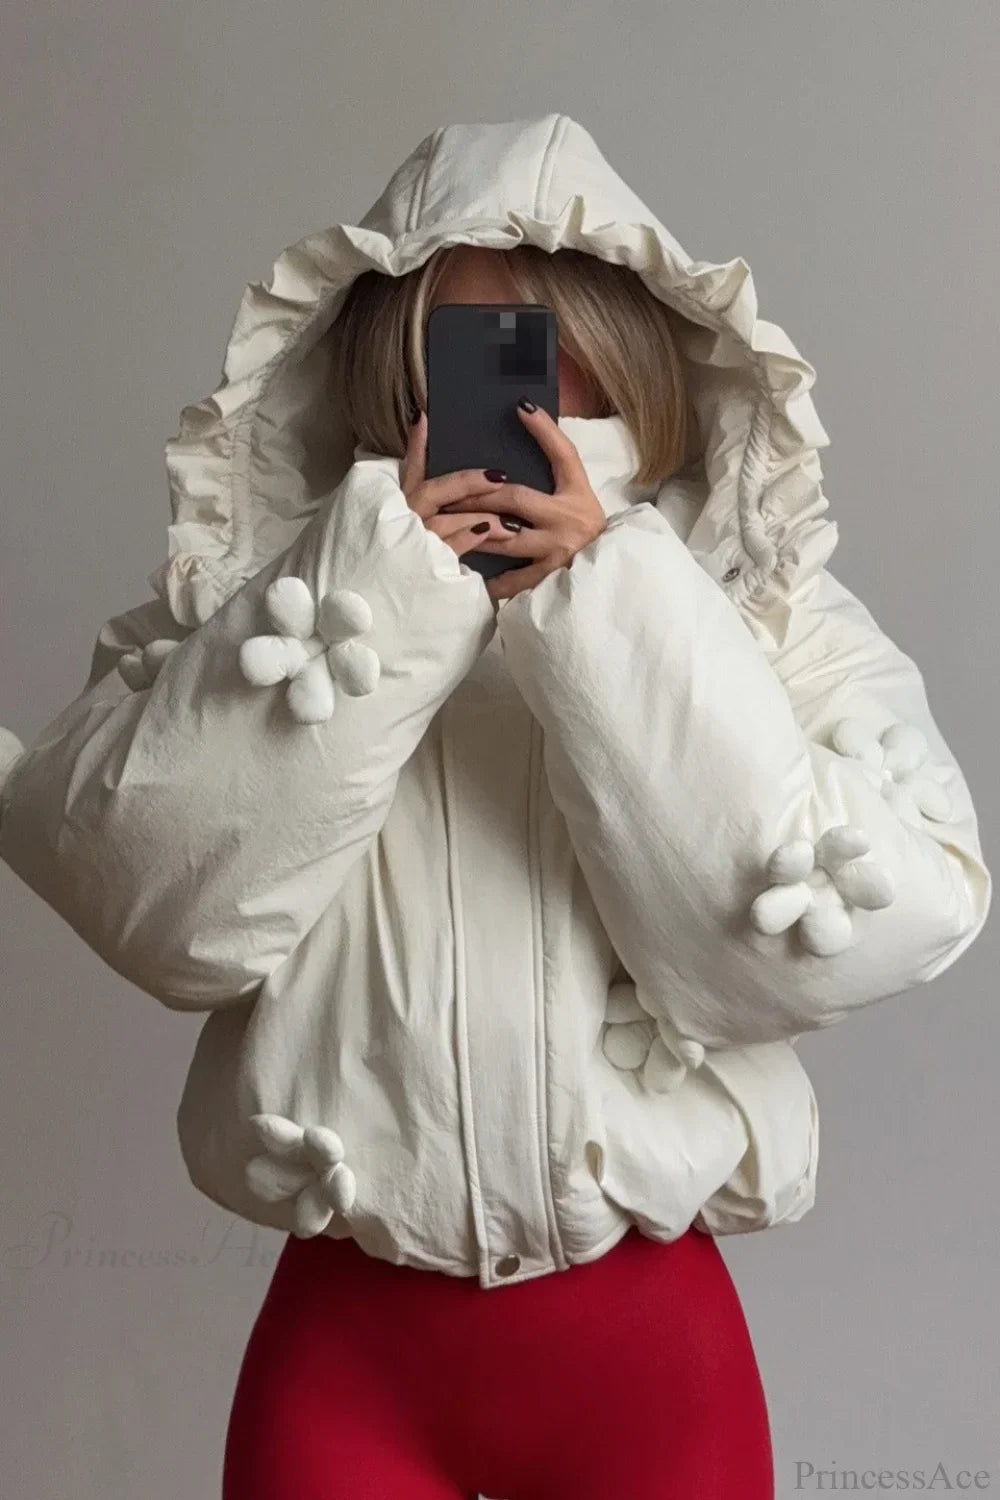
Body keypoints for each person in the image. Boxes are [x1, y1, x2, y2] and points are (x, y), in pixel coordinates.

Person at [0, 113, 991, 1500]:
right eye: (465, 353)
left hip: (647, 1353)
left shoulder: (757, 606)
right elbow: (161, 915)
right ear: (390, 362)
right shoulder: (263, 595)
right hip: (349, 1348)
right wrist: (380, 594)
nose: (523, 397)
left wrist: (616, 604)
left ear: (636, 354)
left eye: (556, 348)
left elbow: (845, 936)